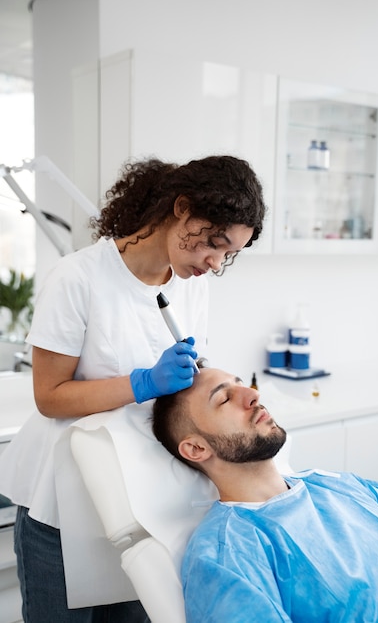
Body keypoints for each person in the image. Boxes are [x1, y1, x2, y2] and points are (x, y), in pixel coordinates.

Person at [0, 155, 266, 623]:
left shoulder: (191, 284)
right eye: (214, 243)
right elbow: (50, 396)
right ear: (181, 208)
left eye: (229, 254)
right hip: (62, 501)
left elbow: (190, 379)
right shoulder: (78, 278)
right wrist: (143, 383)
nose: (215, 261)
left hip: (141, 498)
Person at [152, 367, 378, 622]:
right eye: (224, 399)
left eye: (241, 383)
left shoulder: (334, 484)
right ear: (197, 449)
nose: (253, 395)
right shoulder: (227, 551)